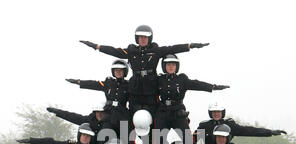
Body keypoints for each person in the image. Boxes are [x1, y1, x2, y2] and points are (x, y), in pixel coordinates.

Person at [80, 25, 209, 118]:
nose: (143, 39)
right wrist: (97, 47)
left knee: (152, 116)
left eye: (145, 37)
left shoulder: (156, 50)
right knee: (132, 115)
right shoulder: (131, 51)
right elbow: (114, 51)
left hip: (151, 87)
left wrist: (190, 46)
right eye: (140, 37)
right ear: (137, 38)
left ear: (150, 38)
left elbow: (173, 48)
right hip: (135, 87)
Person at [154, 54, 229, 144]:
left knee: (188, 141)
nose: (171, 67)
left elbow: (196, 84)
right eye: (168, 64)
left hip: (178, 113)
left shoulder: (182, 79)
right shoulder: (159, 79)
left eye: (173, 64)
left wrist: (213, 87)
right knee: (159, 141)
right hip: (163, 113)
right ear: (164, 66)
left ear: (177, 66)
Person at [65, 59, 130, 135]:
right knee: (105, 132)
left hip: (122, 114)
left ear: (124, 72)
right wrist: (79, 82)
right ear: (113, 71)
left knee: (125, 136)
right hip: (109, 113)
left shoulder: (129, 85)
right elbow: (94, 84)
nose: (118, 72)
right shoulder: (108, 83)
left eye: (120, 70)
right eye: (116, 70)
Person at [194, 102, 287, 144]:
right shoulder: (204, 125)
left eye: (218, 111)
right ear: (210, 113)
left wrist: (270, 132)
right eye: (213, 112)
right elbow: (194, 141)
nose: (216, 113)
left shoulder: (229, 124)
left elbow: (249, 131)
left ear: (222, 112)